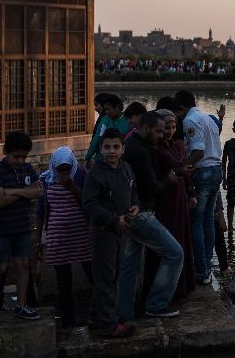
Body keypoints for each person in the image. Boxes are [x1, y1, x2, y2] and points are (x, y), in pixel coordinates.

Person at [116, 112, 183, 321]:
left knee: (129, 266)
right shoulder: (140, 151)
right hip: (140, 213)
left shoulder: (137, 145)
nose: (162, 135)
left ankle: (124, 312)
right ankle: (156, 304)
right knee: (175, 253)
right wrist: (170, 180)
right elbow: (151, 187)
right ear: (145, 129)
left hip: (131, 211)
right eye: (159, 131)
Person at [81, 128, 138, 338]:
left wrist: (135, 207)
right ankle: (108, 325)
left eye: (116, 147)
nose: (111, 151)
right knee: (105, 278)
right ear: (100, 149)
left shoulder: (126, 168)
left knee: (112, 275)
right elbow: (88, 204)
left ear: (123, 149)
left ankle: (97, 317)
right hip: (103, 231)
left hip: (122, 229)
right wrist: (114, 219)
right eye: (106, 147)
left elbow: (133, 194)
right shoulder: (96, 173)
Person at [0, 131, 42, 321]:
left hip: (22, 226)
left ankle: (21, 305)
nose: (20, 161)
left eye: (24, 156)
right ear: (6, 151)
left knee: (23, 265)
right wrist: (25, 192)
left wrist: (13, 192)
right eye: (16, 156)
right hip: (1, 228)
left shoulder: (28, 169)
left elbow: (39, 192)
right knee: (0, 267)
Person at [35, 147, 92, 330]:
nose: (64, 173)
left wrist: (72, 187)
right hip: (58, 237)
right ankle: (68, 322)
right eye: (61, 170)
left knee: (93, 276)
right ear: (54, 167)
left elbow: (89, 201)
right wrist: (38, 241)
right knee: (64, 284)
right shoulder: (45, 180)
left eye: (67, 170)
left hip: (81, 235)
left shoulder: (82, 175)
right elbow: (40, 212)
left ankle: (97, 314)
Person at [176, 91, 223, 285]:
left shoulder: (190, 120)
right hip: (216, 171)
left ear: (180, 107)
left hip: (203, 172)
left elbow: (198, 151)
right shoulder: (207, 118)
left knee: (197, 221)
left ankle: (202, 270)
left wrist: (180, 167)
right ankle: (207, 267)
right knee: (207, 222)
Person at [149, 109, 196, 299]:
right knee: (169, 243)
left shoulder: (174, 146)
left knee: (181, 238)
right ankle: (165, 290)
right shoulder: (156, 149)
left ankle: (180, 286)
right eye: (165, 128)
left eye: (173, 127)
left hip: (178, 196)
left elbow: (182, 168)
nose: (169, 131)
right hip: (165, 199)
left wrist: (190, 192)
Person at [86, 95, 130, 167]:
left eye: (108, 109)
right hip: (102, 160)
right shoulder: (105, 119)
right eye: (105, 109)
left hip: (120, 162)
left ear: (117, 108)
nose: (106, 112)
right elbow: (97, 138)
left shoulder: (128, 121)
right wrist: (88, 156)